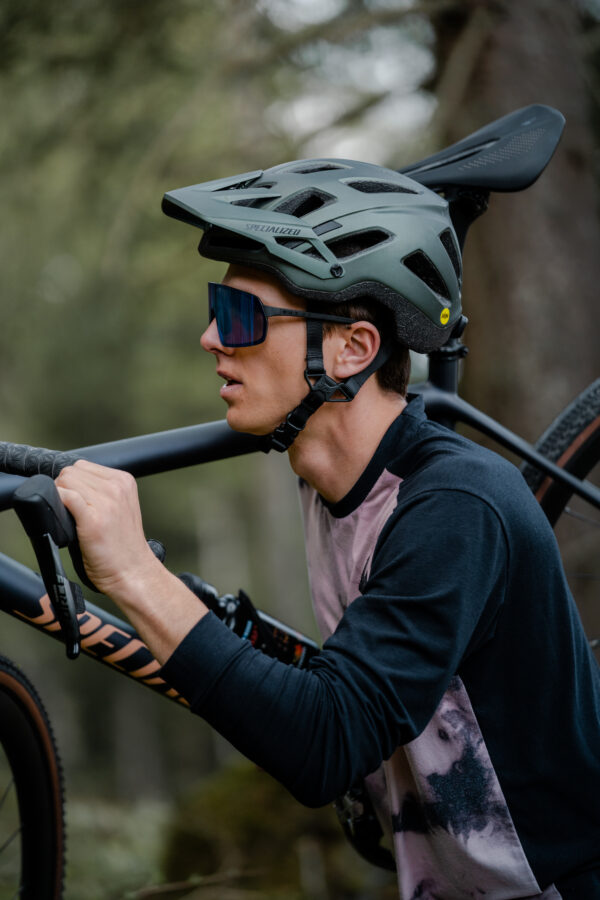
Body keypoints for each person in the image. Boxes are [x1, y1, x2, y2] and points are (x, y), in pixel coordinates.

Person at [55, 159, 599, 899]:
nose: (212, 336)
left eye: (242, 316)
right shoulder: (323, 467)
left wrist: (135, 576)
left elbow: (326, 745)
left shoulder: (455, 508)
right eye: (218, 307)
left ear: (352, 348)